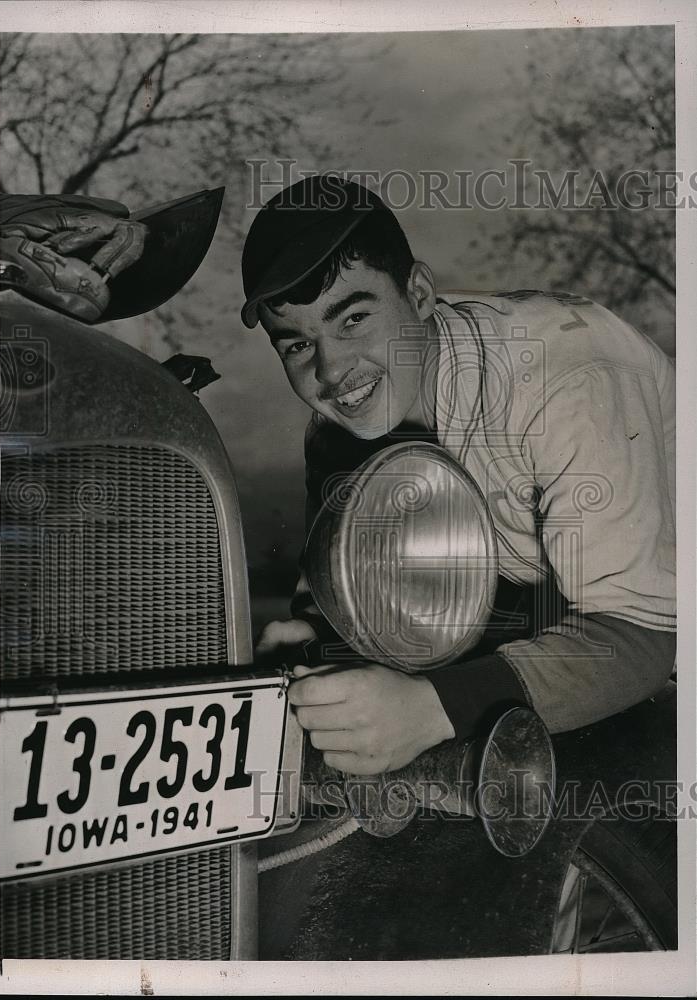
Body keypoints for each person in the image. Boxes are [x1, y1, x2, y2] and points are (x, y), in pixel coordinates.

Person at [245, 174, 676, 777]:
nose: (331, 370)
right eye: (295, 344)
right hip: (575, 620)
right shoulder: (342, 429)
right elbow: (356, 604)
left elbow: (645, 637)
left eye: (352, 320)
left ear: (419, 293)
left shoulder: (561, 372)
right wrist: (318, 647)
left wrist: (430, 711)